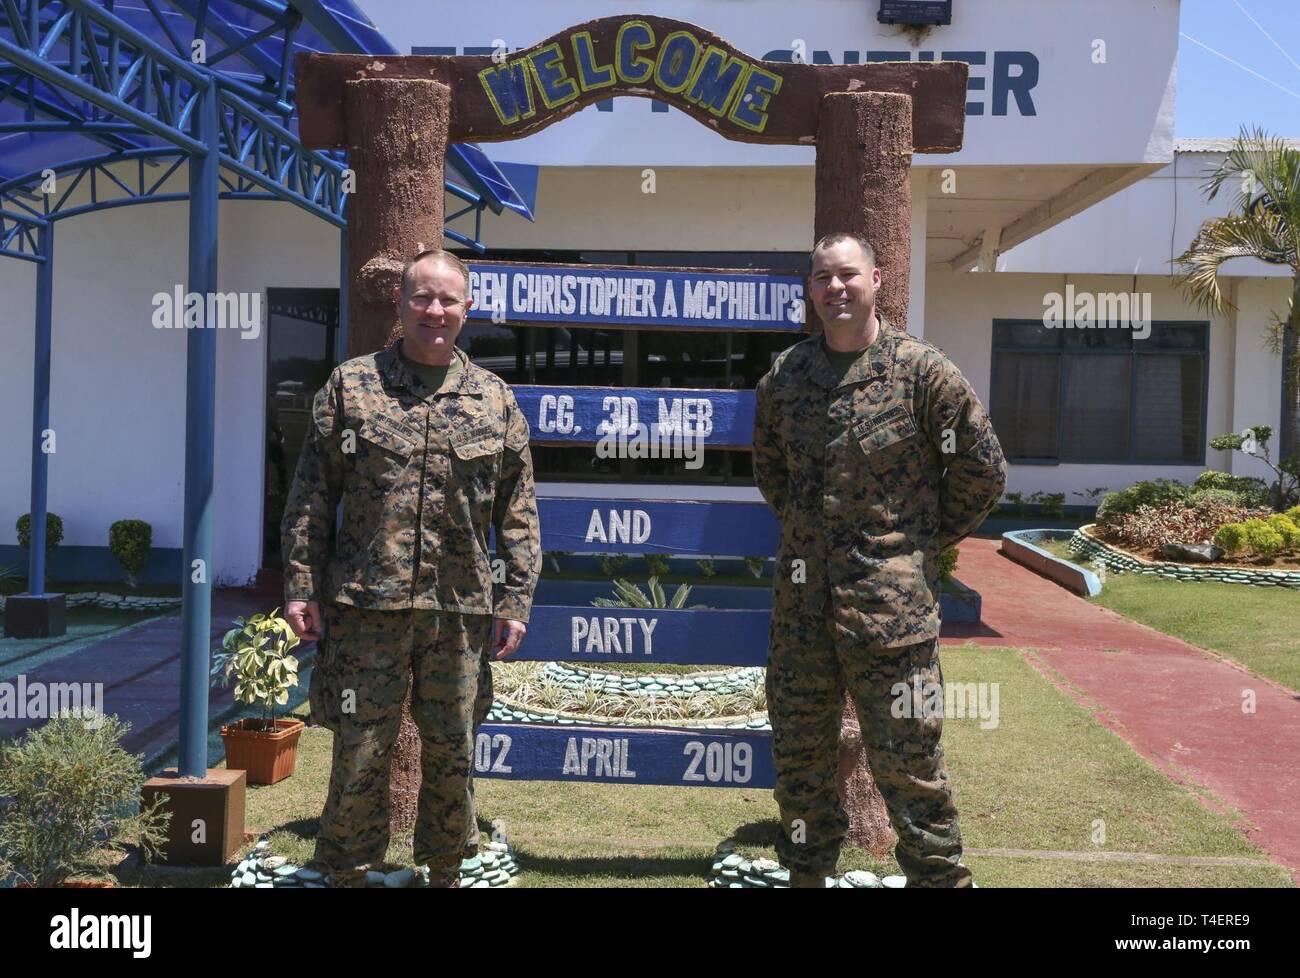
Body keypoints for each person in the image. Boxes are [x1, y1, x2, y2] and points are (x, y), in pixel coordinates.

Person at [751, 231, 1007, 888]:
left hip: (892, 623)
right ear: (810, 289)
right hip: (804, 620)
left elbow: (982, 471)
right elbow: (772, 473)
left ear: (877, 279)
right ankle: (806, 874)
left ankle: (941, 879)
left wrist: (915, 544)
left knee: (913, 772)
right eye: (821, 278)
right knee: (801, 769)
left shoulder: (923, 374)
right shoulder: (787, 378)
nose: (835, 288)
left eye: (847, 275)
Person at [280, 247, 541, 888]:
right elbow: (313, 496)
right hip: (368, 605)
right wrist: (301, 585)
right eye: (421, 297)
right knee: (360, 746)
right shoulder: (352, 387)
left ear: (467, 309)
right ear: (399, 304)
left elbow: (518, 512)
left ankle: (447, 869)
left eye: (447, 299)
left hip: (458, 611)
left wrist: (514, 600)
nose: (434, 310)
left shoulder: (494, 400)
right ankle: (346, 869)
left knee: (452, 748)